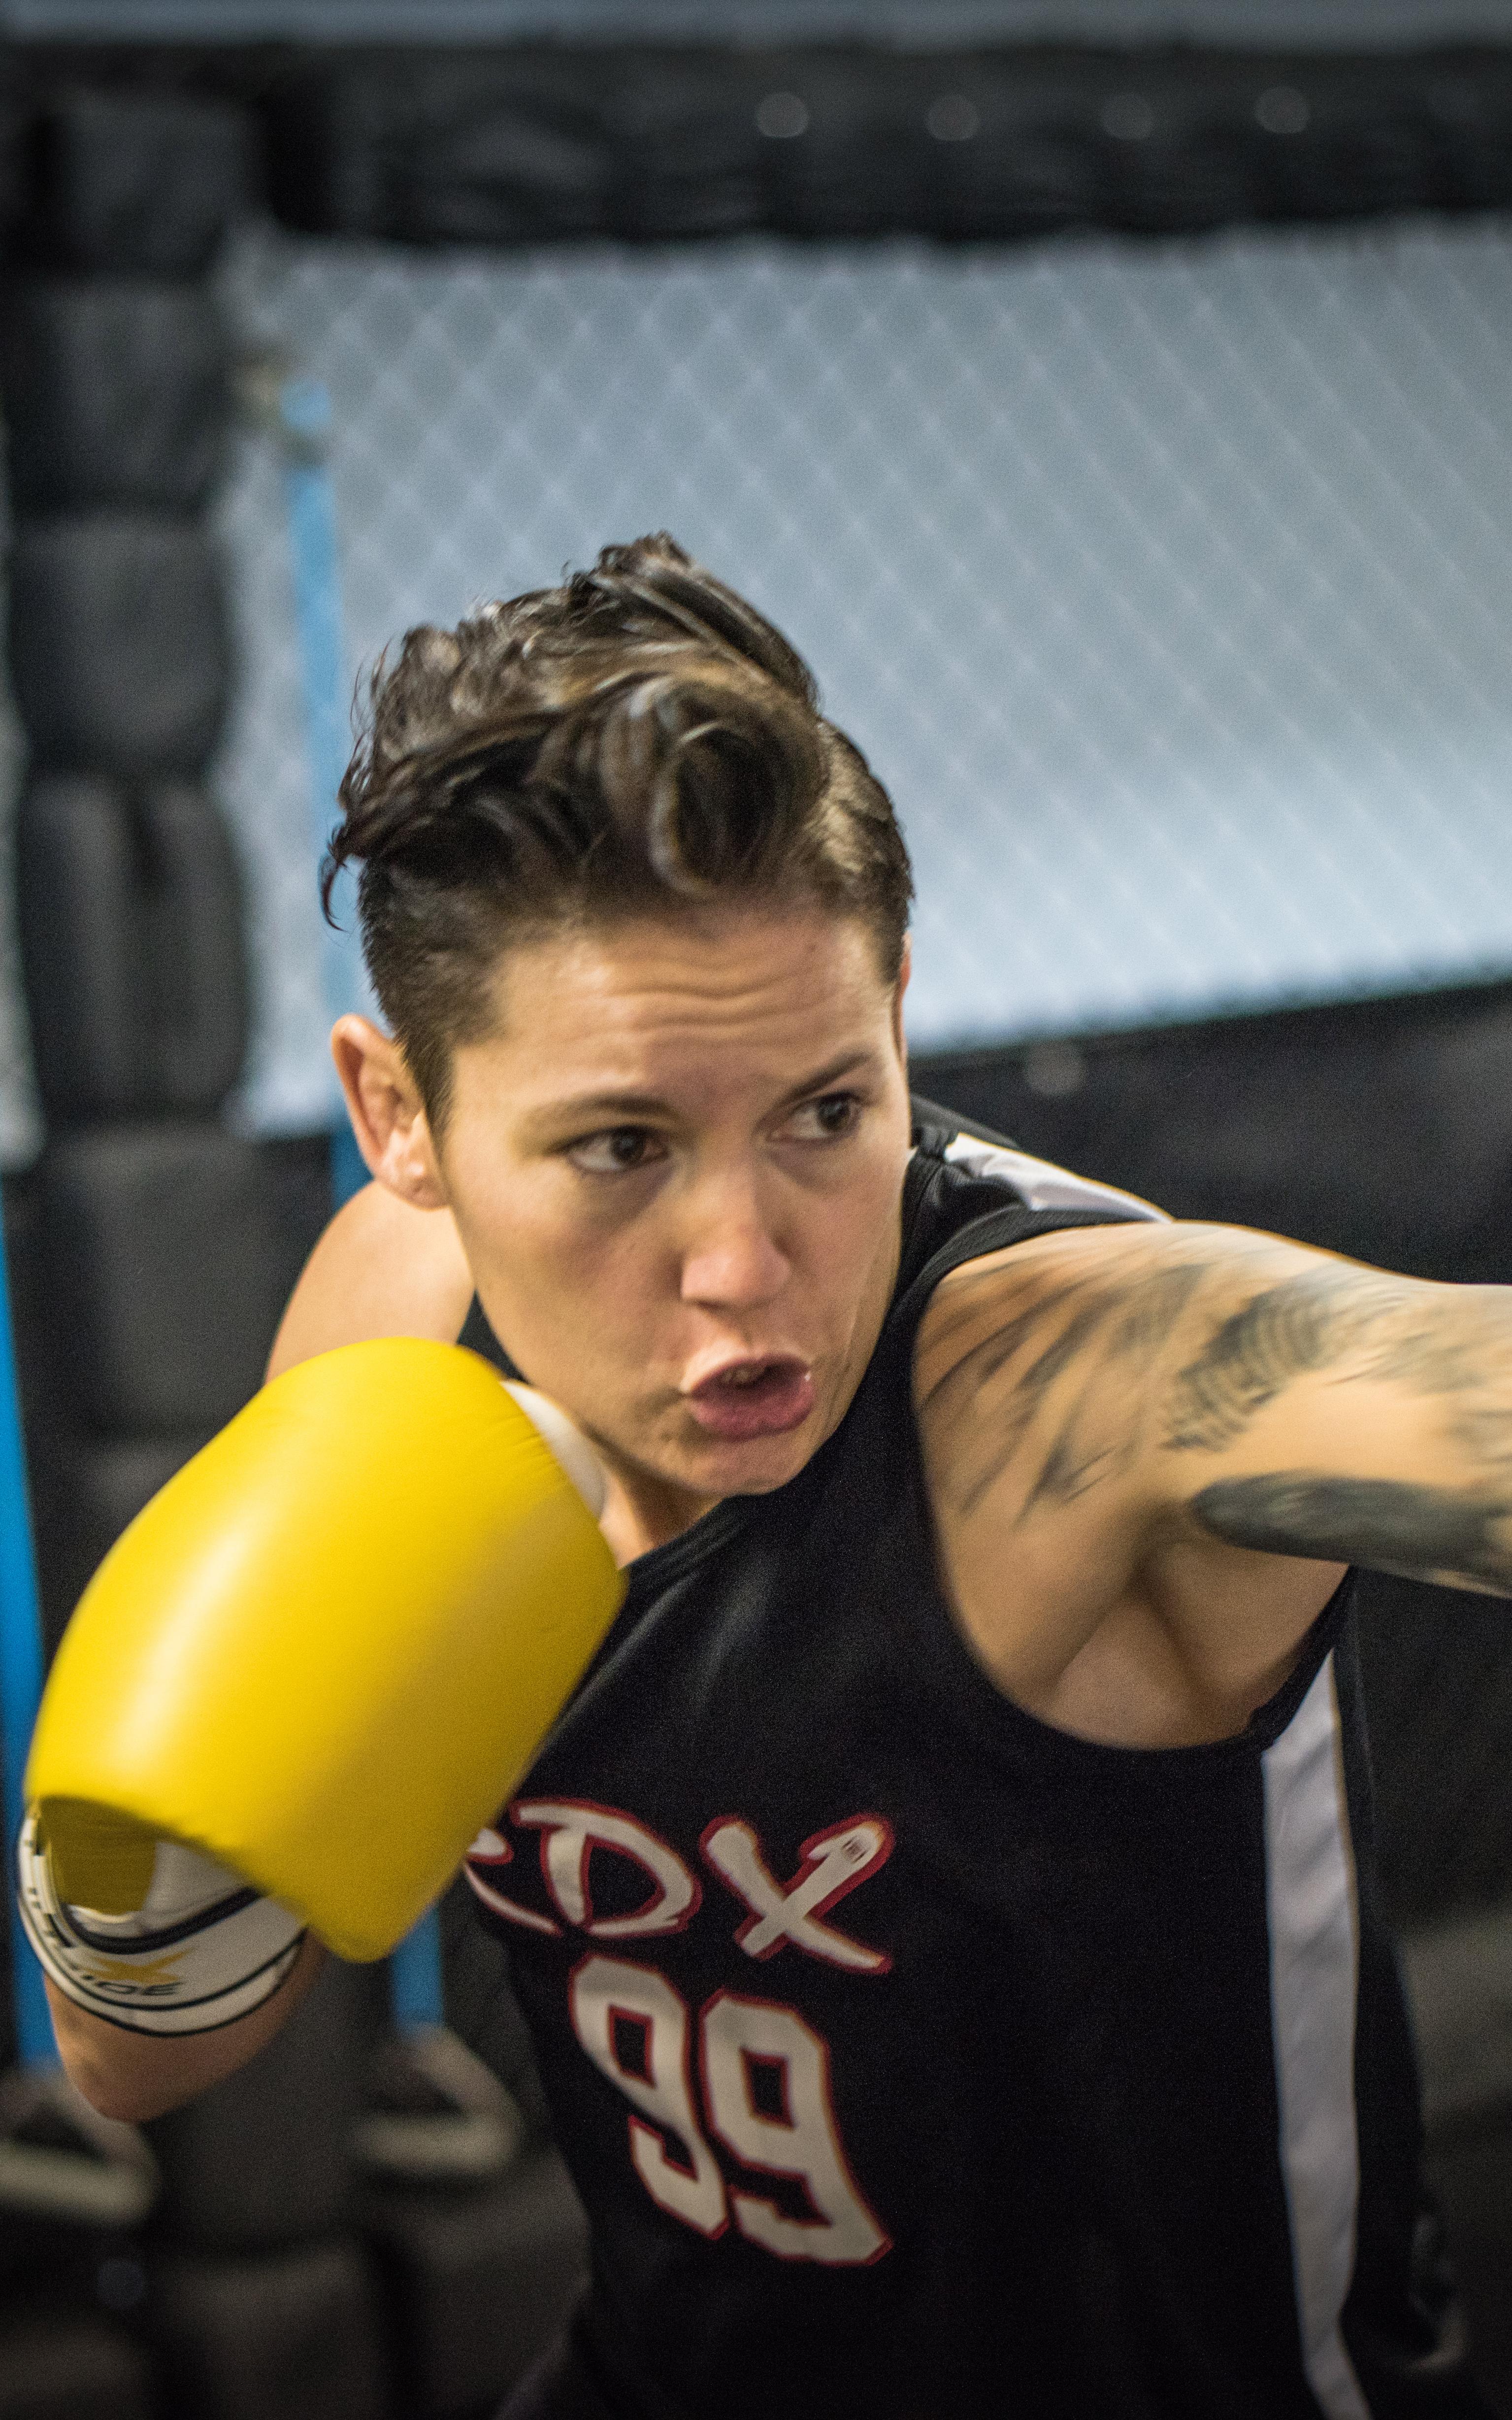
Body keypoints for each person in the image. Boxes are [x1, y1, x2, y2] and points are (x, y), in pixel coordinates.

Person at [40, 535, 1508, 2418]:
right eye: (623, 1147)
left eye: (826, 1114)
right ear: (400, 1122)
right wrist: (148, 1851)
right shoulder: (394, 1333)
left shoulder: (1080, 1394)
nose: (745, 1264)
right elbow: (135, 2060)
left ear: (895, 1020)